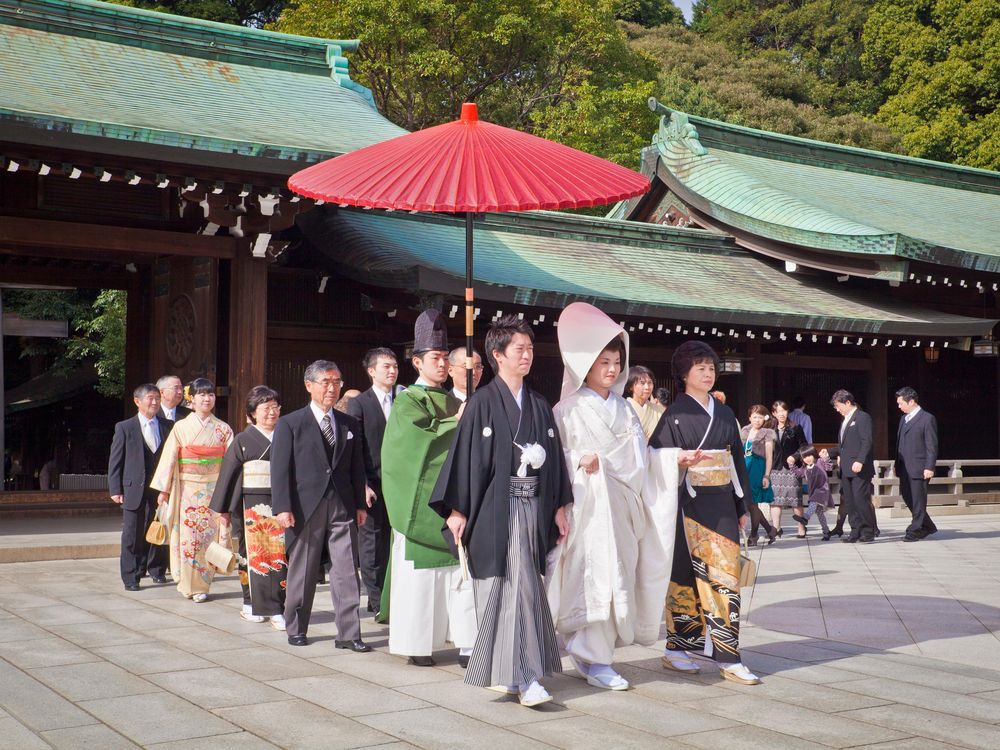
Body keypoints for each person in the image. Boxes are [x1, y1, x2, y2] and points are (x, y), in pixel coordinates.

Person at [431, 313, 572, 707]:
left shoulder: (540, 404)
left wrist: (560, 505)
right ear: (497, 354)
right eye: (520, 349)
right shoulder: (482, 404)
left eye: (530, 349)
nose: (527, 355)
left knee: (527, 588)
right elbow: (465, 459)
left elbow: (555, 460)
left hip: (533, 508)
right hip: (497, 510)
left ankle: (515, 674)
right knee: (508, 589)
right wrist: (457, 509)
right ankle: (523, 677)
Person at [546, 303, 679, 693]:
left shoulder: (625, 410)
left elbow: (643, 461)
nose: (612, 369)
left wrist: (673, 460)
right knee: (587, 579)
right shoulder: (566, 410)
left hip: (621, 509)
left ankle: (596, 654)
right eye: (603, 361)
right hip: (587, 511)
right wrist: (578, 460)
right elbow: (556, 461)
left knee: (616, 578)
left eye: (617, 361)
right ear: (585, 365)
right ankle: (593, 656)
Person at [649, 341, 760, 686]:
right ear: (684, 375)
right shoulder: (674, 415)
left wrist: (745, 506)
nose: (708, 373)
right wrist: (677, 460)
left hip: (723, 502)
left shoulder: (725, 413)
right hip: (687, 502)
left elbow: (737, 461)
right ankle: (677, 648)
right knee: (683, 575)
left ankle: (729, 654)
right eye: (700, 368)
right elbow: (653, 457)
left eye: (711, 368)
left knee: (725, 575)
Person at [381, 310, 476, 666]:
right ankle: (417, 644)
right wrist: (457, 423)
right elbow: (412, 450)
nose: (442, 364)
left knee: (460, 576)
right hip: (421, 504)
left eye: (444, 358)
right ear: (417, 362)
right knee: (421, 581)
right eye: (435, 358)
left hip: (454, 502)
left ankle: (467, 642)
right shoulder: (408, 402)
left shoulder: (454, 401)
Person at [270, 360, 371, 650]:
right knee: (303, 568)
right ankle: (297, 626)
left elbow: (356, 467)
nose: (332, 387)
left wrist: (360, 504)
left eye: (337, 381)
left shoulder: (349, 423)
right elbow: (280, 469)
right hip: (305, 505)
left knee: (347, 569)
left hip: (342, 503)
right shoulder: (291, 423)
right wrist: (282, 507)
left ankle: (350, 633)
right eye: (326, 382)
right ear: (309, 386)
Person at [150, 378, 233, 602]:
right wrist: (164, 490)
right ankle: (188, 583)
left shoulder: (223, 429)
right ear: (192, 399)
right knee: (188, 538)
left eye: (211, 394)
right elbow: (169, 458)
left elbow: (230, 464)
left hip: (215, 489)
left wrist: (229, 493)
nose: (207, 399)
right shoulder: (181, 427)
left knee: (208, 538)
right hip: (187, 488)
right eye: (202, 395)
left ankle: (202, 586)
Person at [211, 386, 287, 629]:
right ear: (253, 413)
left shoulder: (287, 435)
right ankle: (250, 604)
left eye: (275, 407)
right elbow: (228, 477)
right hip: (250, 504)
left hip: (282, 502)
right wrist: (224, 510)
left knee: (280, 555)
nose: (271, 413)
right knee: (251, 555)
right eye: (265, 409)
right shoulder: (243, 440)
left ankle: (278, 607)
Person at [346, 347, 402, 616]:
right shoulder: (360, 403)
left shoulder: (404, 399)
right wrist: (363, 484)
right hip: (374, 483)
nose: (392, 371)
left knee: (396, 541)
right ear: (371, 371)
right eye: (386, 366)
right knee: (372, 542)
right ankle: (377, 599)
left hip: (400, 483)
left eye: (394, 366)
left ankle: (393, 595)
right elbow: (356, 448)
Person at [108, 383, 172, 591]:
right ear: (137, 401)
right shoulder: (125, 427)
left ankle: (157, 570)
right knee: (131, 533)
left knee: (159, 527)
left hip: (159, 487)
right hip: (133, 487)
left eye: (157, 398)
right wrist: (115, 489)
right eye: (150, 398)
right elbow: (115, 460)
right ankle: (131, 576)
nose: (154, 402)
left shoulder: (167, 426)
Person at [827, 389, 877, 543]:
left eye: (838, 405)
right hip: (846, 468)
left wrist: (860, 460)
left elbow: (866, 441)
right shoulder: (845, 420)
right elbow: (844, 446)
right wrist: (829, 452)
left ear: (847, 402)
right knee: (849, 501)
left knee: (861, 499)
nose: (837, 409)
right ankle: (855, 531)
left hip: (859, 467)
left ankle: (868, 531)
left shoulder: (862, 417)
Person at [894, 387, 939, 542]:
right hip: (904, 467)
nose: (899, 406)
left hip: (919, 467)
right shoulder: (903, 419)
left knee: (918, 499)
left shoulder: (927, 418)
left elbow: (931, 445)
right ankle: (928, 526)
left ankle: (915, 529)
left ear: (911, 401)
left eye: (901, 403)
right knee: (908, 497)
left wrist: (929, 466)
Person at [739, 405, 778, 545]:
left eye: (760, 417)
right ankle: (769, 530)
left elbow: (769, 456)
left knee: (752, 502)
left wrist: (766, 475)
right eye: (754, 417)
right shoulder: (744, 431)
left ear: (764, 418)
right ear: (749, 417)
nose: (757, 420)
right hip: (745, 468)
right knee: (750, 503)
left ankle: (754, 535)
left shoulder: (767, 433)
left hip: (757, 469)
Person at [770, 400, 808, 537]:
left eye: (784, 410)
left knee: (795, 499)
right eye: (778, 411)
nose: (781, 414)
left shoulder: (795, 427)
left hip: (791, 467)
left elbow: (804, 446)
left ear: (788, 412)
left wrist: (796, 456)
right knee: (775, 500)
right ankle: (776, 528)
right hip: (775, 467)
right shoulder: (770, 429)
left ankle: (801, 527)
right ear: (774, 413)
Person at [789, 446, 835, 540]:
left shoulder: (820, 462)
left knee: (814, 501)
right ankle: (826, 531)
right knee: (820, 513)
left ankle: (805, 517)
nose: (808, 459)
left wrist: (825, 457)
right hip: (813, 492)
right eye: (805, 457)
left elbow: (829, 466)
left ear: (814, 454)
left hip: (823, 490)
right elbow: (797, 473)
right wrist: (791, 464)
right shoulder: (805, 468)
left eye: (809, 455)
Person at [625, 364, 663, 441]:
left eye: (650, 382)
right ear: (631, 386)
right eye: (642, 383)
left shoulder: (659, 410)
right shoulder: (623, 408)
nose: (647, 387)